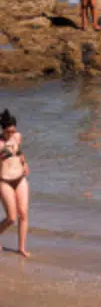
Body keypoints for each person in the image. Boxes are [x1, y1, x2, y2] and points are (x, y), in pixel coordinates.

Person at [0, 110, 31, 257]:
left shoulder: (17, 136)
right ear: (2, 130)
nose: (11, 134)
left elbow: (18, 151)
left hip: (20, 178)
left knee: (23, 214)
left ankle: (21, 248)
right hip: (4, 181)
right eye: (8, 132)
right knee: (11, 218)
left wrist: (24, 163)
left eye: (13, 131)